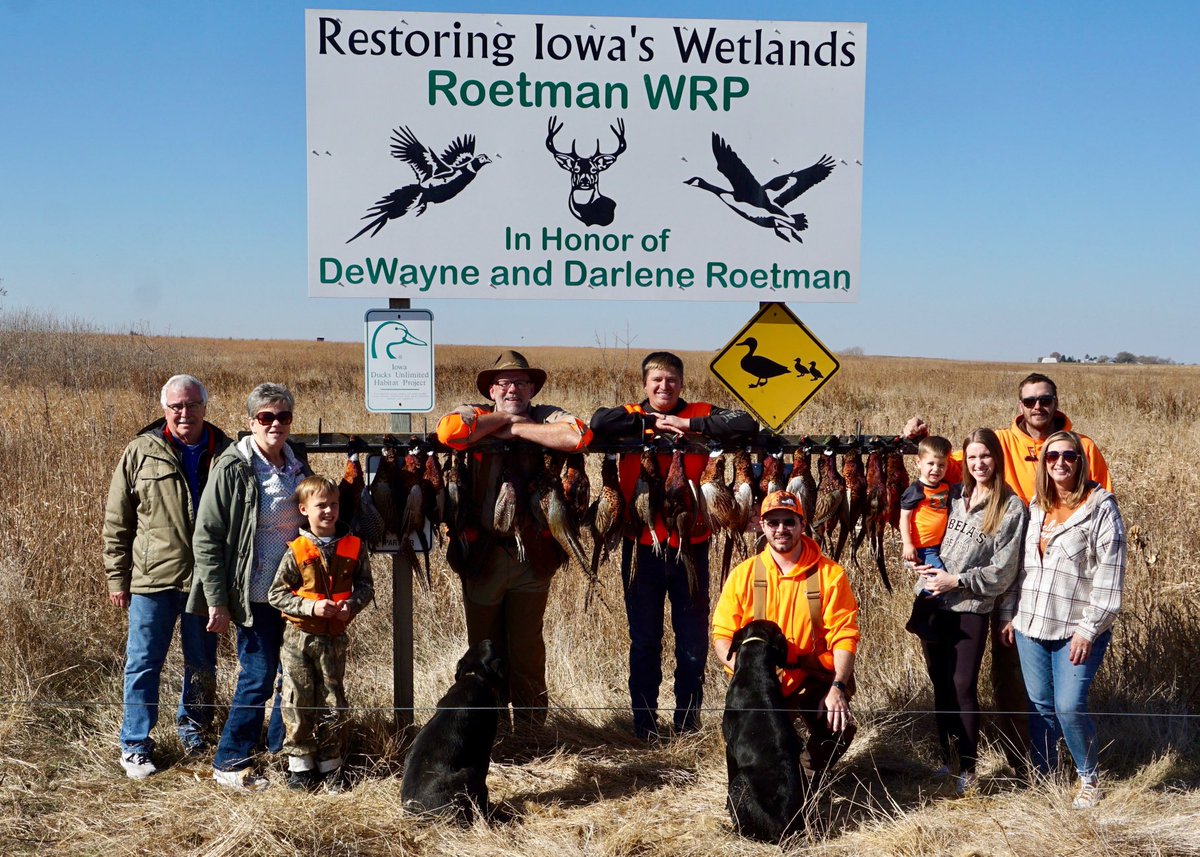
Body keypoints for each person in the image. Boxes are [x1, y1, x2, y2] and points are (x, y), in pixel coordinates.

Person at [903, 372, 1113, 773]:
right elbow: (945, 466)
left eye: (1045, 399)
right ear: (1020, 405)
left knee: (1037, 685)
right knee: (1001, 680)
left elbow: (1101, 511)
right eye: (1030, 400)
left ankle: (1050, 767)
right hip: (990, 590)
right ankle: (1019, 763)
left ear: (1056, 401)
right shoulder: (1000, 442)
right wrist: (918, 439)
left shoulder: (1082, 447)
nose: (1038, 406)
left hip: (1044, 584)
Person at [590, 351, 758, 740]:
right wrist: (648, 421)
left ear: (681, 383)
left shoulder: (701, 412)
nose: (664, 386)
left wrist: (687, 424)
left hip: (691, 546)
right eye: (656, 380)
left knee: (692, 641)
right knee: (644, 640)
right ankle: (644, 727)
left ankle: (687, 725)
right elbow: (598, 422)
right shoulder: (630, 415)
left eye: (671, 380)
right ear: (645, 384)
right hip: (642, 547)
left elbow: (745, 423)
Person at [435, 350, 592, 729]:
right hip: (482, 556)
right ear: (490, 390)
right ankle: (486, 729)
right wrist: (504, 419)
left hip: (532, 558)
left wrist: (520, 429)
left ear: (532, 389)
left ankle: (530, 730)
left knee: (526, 650)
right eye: (504, 383)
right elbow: (449, 433)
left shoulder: (546, 414)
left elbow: (578, 436)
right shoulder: (473, 412)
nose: (512, 390)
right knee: (483, 651)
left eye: (521, 383)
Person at [102, 374, 231, 778]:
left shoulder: (225, 452)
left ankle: (195, 735)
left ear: (204, 407)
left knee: (202, 663)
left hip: (205, 582)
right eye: (176, 406)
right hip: (151, 579)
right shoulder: (141, 450)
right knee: (143, 663)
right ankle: (135, 745)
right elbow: (117, 521)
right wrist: (117, 578)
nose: (184, 413)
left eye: (192, 404)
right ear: (165, 409)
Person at [190, 383, 312, 790]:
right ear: (251, 422)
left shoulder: (297, 463)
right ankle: (230, 760)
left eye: (283, 416)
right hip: (255, 593)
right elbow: (207, 535)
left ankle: (281, 752)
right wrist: (217, 600)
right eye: (266, 417)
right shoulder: (234, 466)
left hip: (296, 593)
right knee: (258, 675)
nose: (275, 424)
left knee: (293, 676)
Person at [1003, 430, 1125, 809]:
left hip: (1076, 629)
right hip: (1030, 624)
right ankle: (1045, 777)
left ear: (1080, 461)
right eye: (1052, 456)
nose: (1060, 462)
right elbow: (1021, 567)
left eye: (1069, 456)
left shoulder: (1101, 508)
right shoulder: (1037, 505)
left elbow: (1110, 577)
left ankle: (1089, 778)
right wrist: (1009, 613)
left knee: (1069, 706)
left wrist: (1089, 630)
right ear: (1043, 463)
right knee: (1040, 704)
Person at [906, 429, 1027, 795]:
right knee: (940, 682)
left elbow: (1004, 570)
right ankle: (947, 759)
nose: (979, 464)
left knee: (962, 685)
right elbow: (918, 521)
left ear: (997, 459)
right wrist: (914, 556)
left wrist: (956, 580)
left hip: (970, 606)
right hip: (931, 599)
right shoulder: (953, 494)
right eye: (972, 457)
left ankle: (969, 768)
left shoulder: (1010, 507)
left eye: (985, 456)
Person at [713, 491, 860, 786]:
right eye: (773, 522)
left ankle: (805, 781)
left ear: (802, 525)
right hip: (764, 680)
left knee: (837, 726)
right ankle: (758, 787)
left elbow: (845, 636)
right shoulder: (744, 575)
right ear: (762, 526)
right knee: (749, 738)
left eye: (789, 522)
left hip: (812, 676)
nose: (781, 529)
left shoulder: (830, 575)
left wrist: (838, 687)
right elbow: (722, 636)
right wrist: (748, 676)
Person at [267, 476, 374, 791]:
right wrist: (310, 608)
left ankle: (331, 765)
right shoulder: (297, 549)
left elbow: (366, 586)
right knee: (297, 699)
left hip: (334, 640)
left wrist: (350, 606)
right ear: (304, 509)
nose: (328, 511)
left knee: (332, 701)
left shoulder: (354, 546)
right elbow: (276, 594)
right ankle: (300, 767)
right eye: (321, 505)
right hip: (299, 638)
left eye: (334, 505)